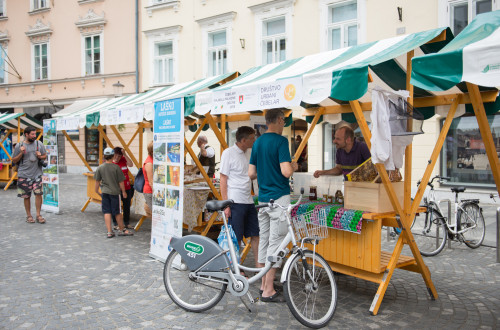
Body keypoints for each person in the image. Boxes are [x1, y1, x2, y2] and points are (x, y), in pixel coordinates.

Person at [248, 108, 298, 303]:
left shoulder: (258, 142)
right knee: (277, 244)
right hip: (279, 199)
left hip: (263, 199)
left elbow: (251, 173)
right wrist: (293, 165)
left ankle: (262, 284)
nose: (284, 123)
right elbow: (286, 172)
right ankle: (268, 289)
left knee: (265, 240)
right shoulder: (281, 141)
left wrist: (265, 170)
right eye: (284, 120)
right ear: (278, 120)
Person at [219, 126, 262, 284]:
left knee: (255, 234)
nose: (254, 140)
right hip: (235, 201)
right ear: (243, 140)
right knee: (235, 238)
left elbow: (250, 175)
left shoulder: (249, 153)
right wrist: (226, 204)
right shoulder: (228, 153)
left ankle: (259, 267)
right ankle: (237, 270)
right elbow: (223, 179)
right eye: (252, 138)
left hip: (248, 200)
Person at [94, 147, 133, 238]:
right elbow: (121, 182)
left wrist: (97, 192)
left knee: (107, 212)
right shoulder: (116, 167)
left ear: (104, 156)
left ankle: (109, 231)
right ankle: (122, 229)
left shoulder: (100, 167)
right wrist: (123, 191)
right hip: (115, 193)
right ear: (112, 156)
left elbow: (97, 182)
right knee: (118, 212)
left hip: (105, 193)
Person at [12, 126, 47, 224]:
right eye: (32, 134)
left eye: (35, 134)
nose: (34, 136)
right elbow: (14, 160)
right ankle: (29, 215)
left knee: (38, 194)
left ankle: (38, 215)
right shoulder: (19, 145)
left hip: (37, 174)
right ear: (26, 134)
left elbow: (45, 156)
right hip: (24, 174)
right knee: (26, 196)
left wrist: (40, 156)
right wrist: (21, 153)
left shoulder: (38, 143)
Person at [111, 147, 134, 230]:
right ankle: (115, 223)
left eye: (119, 156)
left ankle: (127, 223)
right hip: (116, 189)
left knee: (127, 205)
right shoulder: (110, 163)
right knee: (115, 206)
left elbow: (131, 164)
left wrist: (124, 154)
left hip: (127, 187)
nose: (117, 158)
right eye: (115, 156)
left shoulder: (123, 159)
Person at [143, 141, 154, 215]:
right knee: (155, 214)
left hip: (151, 191)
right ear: (152, 151)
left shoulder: (152, 160)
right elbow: (151, 182)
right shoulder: (149, 163)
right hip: (150, 191)